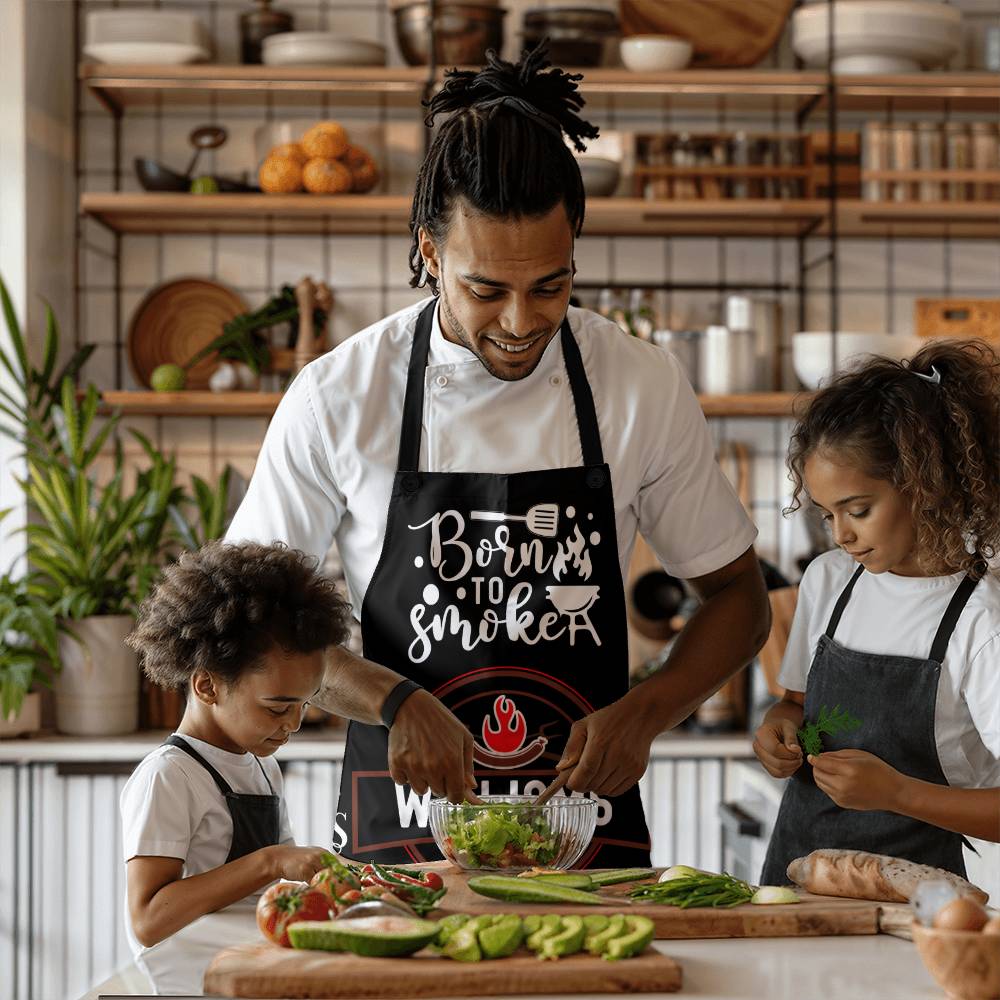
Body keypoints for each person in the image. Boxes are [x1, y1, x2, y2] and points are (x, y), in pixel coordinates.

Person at [226, 44, 770, 867]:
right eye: (487, 290)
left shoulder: (638, 383)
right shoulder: (340, 395)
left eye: (551, 286)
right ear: (432, 254)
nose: (520, 322)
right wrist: (392, 698)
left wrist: (649, 708)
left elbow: (740, 598)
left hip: (580, 830)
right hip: (402, 833)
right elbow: (247, 622)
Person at [755, 339, 1000, 884]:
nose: (842, 535)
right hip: (796, 881)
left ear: (925, 485)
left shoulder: (982, 622)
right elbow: (792, 706)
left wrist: (898, 793)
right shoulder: (829, 582)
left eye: (858, 510)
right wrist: (776, 731)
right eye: (826, 515)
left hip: (912, 902)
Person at [120, 541, 352, 994]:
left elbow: (280, 880)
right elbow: (148, 920)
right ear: (207, 685)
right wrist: (269, 862)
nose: (293, 724)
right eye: (276, 707)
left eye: (303, 705)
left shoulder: (262, 765)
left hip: (254, 970)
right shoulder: (170, 775)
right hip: (199, 982)